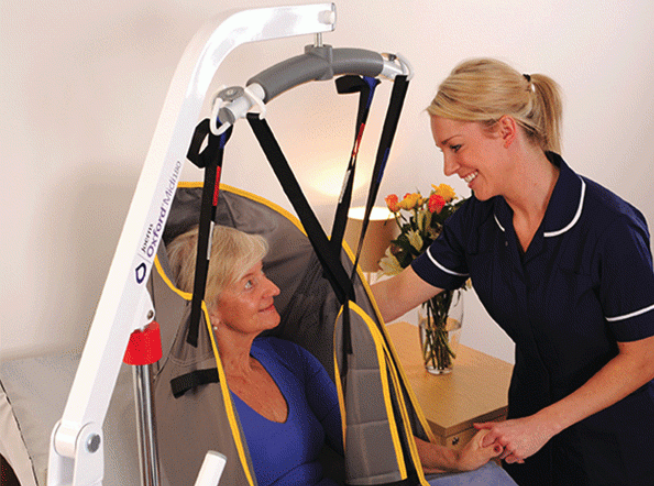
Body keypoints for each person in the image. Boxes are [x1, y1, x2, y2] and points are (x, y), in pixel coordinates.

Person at [372, 58, 654, 486]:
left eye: (456, 147)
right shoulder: (477, 221)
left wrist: (542, 424)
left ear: (505, 130)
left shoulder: (609, 228)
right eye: (443, 151)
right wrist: (304, 315)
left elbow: (644, 357)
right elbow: (394, 296)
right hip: (527, 445)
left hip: (612, 449)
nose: (449, 168)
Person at [167, 224, 517, 486]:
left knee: (485, 478)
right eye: (249, 283)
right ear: (208, 308)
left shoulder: (287, 357)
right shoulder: (195, 401)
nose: (272, 288)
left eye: (263, 274)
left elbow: (363, 440)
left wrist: (455, 458)